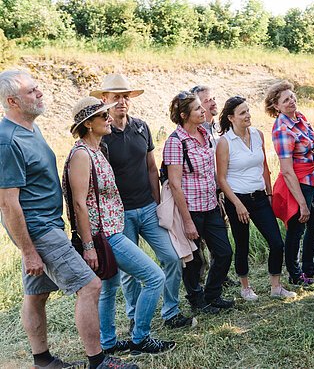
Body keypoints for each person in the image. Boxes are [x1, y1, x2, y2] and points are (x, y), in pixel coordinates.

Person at [0, 71, 136, 369]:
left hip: (48, 225)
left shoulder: (30, 128)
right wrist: (28, 250)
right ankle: (98, 361)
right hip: (39, 230)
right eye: (32, 91)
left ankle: (43, 360)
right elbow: (8, 204)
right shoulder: (7, 141)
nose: (40, 93)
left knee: (36, 294)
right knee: (90, 286)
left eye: (38, 88)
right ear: (12, 101)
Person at [63, 96, 175, 357]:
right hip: (105, 235)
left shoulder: (97, 151)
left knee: (109, 288)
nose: (109, 118)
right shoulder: (81, 155)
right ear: (88, 124)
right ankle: (140, 338)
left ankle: (109, 342)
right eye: (103, 116)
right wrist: (89, 245)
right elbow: (79, 204)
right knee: (154, 277)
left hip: (111, 229)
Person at [91, 74, 194, 332]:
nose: (122, 102)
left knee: (171, 258)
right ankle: (136, 316)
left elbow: (150, 168)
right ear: (104, 100)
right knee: (129, 273)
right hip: (119, 214)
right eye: (116, 97)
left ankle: (171, 311)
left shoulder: (141, 127)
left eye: (125, 97)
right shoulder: (101, 135)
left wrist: (158, 204)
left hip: (147, 207)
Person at [216, 96, 297, 300]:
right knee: (242, 243)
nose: (248, 115)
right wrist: (236, 204)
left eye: (248, 111)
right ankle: (245, 288)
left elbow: (265, 168)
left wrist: (269, 194)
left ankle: (276, 287)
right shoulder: (225, 142)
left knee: (277, 242)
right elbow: (221, 179)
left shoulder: (258, 134)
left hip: (260, 197)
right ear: (231, 118)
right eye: (242, 112)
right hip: (237, 199)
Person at [163, 91, 234, 313]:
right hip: (190, 209)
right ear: (184, 115)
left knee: (224, 252)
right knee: (193, 260)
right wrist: (187, 221)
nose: (203, 111)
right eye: (197, 109)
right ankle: (196, 300)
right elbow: (175, 184)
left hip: (210, 204)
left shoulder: (205, 133)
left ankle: (212, 294)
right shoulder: (175, 142)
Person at [264, 80, 314, 287]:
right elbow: (287, 170)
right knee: (297, 228)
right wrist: (301, 202)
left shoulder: (300, 118)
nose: (291, 101)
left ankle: (308, 268)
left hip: (309, 180)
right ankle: (295, 273)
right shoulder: (282, 129)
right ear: (276, 106)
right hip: (296, 184)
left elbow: (309, 154)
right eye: (285, 100)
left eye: (292, 97)